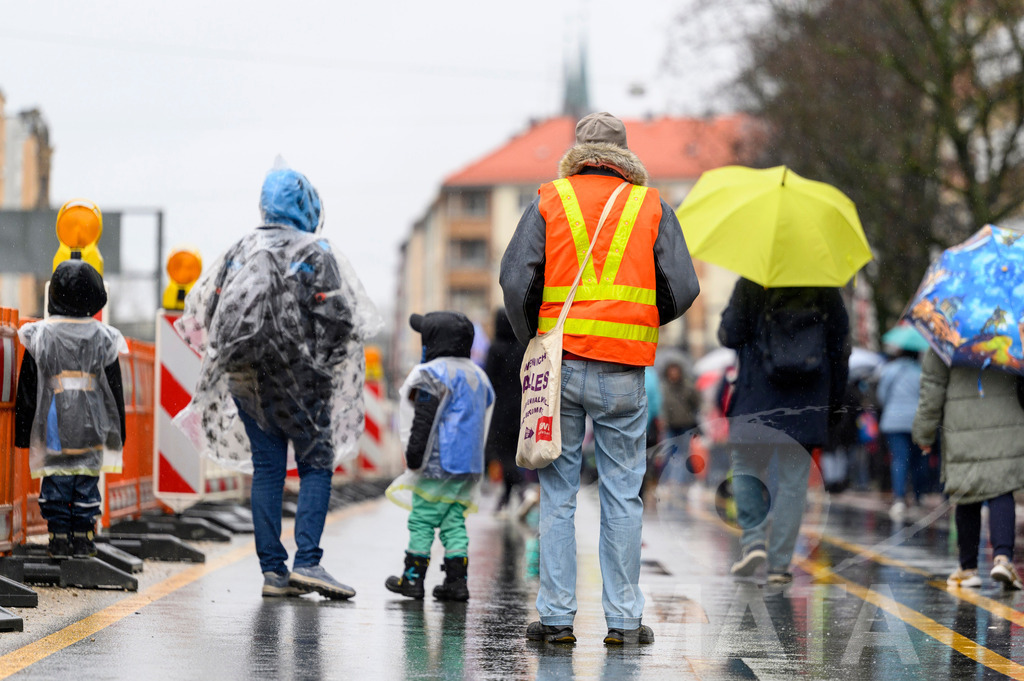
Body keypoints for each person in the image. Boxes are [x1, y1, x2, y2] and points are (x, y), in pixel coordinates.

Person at [500, 111, 699, 645]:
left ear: (578, 153)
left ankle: (559, 618)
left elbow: (515, 278)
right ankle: (624, 620)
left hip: (559, 365)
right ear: (625, 154)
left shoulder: (549, 199)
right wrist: (636, 322)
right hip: (622, 372)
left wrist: (535, 338)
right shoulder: (651, 205)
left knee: (558, 491)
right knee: (622, 494)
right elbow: (683, 287)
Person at [175, 163, 381, 599]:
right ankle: (308, 562)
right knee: (315, 464)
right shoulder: (316, 253)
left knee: (267, 470)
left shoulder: (239, 251)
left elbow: (207, 311)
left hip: (245, 377)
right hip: (303, 382)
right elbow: (340, 320)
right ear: (306, 205)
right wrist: (322, 367)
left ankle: (273, 572)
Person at [718, 278, 849, 584]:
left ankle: (753, 540)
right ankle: (779, 564)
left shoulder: (754, 279)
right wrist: (835, 403)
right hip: (807, 399)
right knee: (793, 484)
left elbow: (730, 333)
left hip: (757, 395)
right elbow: (841, 347)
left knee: (745, 467)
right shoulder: (825, 286)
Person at [15, 257, 127, 558]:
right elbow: (114, 388)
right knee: (86, 476)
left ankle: (59, 536)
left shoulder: (41, 334)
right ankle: (83, 536)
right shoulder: (104, 337)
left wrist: (23, 429)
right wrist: (120, 431)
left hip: (54, 417)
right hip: (93, 417)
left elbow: (29, 385)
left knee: (57, 475)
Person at [385, 311, 494, 601]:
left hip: (437, 462)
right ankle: (457, 581)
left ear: (433, 340)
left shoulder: (432, 373)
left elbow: (424, 419)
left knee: (422, 519)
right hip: (467, 465)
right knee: (453, 521)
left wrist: (414, 457)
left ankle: (413, 579)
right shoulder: (478, 375)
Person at [913, 349, 1024, 590]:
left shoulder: (949, 333)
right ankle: (1003, 559)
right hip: (1005, 418)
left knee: (966, 488)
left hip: (960, 423)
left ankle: (968, 568)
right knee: (1000, 487)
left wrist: (924, 431)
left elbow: (933, 386)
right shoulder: (1012, 332)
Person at [483, 308, 527, 511]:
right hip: (521, 408)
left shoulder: (494, 349)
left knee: (501, 453)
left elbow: (488, 380)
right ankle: (510, 494)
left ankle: (519, 485)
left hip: (500, 411)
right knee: (514, 452)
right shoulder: (522, 347)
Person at [876, 349, 925, 519]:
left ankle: (899, 499)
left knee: (899, 459)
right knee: (918, 460)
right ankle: (918, 497)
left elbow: (881, 395)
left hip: (894, 421)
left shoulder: (890, 369)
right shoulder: (921, 371)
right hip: (917, 421)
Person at [659, 360, 702, 484]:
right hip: (671, 426)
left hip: (685, 426)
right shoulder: (664, 388)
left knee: (683, 454)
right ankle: (669, 479)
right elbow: (663, 407)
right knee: (670, 454)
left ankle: (678, 480)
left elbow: (697, 402)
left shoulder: (688, 387)